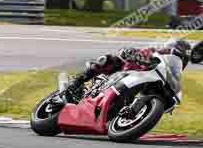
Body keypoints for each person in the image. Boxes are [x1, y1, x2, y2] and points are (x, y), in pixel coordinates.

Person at [58, 38, 191, 103]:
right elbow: (128, 51)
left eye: (182, 59)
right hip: (118, 76)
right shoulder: (151, 53)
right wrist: (133, 53)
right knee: (108, 60)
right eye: (175, 54)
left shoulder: (169, 76)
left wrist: (171, 99)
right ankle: (75, 82)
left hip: (129, 92)